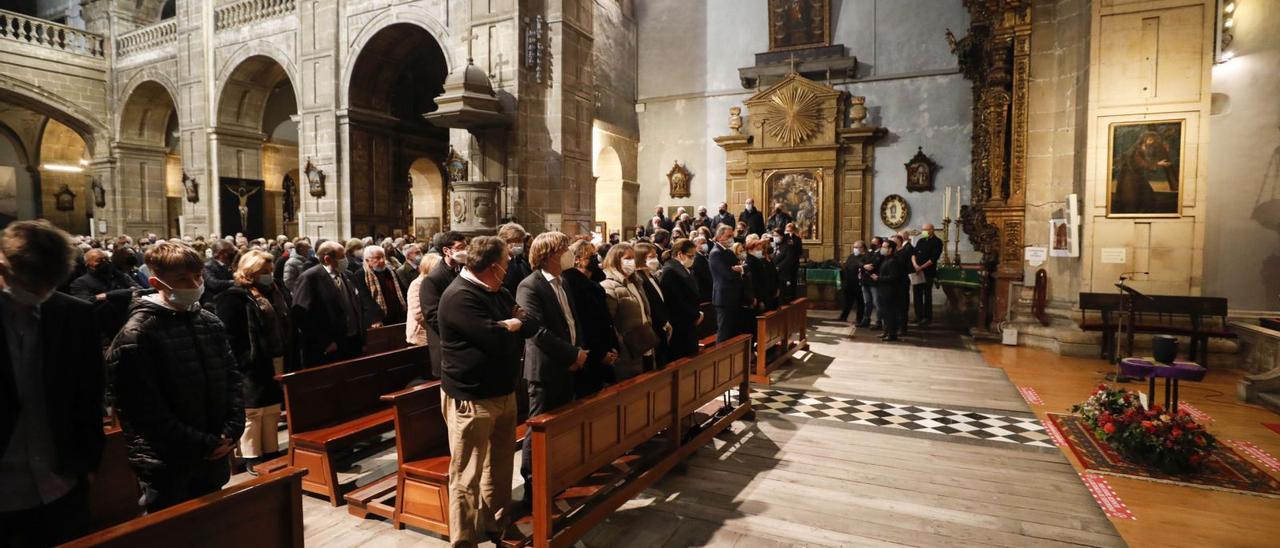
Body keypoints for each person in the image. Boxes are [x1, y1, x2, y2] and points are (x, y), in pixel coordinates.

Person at [107, 241, 244, 512]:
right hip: (167, 461)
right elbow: (145, 411)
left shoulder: (209, 321)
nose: (194, 284)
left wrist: (231, 429)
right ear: (157, 282)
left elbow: (232, 379)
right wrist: (205, 443)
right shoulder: (137, 334)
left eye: (197, 276)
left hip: (213, 451)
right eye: (182, 278)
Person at [0, 221, 104, 545]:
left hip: (60, 485)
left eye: (49, 284)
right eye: (32, 284)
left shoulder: (75, 315)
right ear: (4, 267)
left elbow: (89, 395)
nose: (41, 294)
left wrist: (87, 465)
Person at [437, 236, 530, 546]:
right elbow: (494, 338)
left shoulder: (498, 291)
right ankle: (463, 540)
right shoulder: (459, 297)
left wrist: (512, 324)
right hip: (471, 398)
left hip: (503, 392)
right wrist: (510, 326)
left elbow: (526, 322)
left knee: (501, 466)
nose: (509, 267)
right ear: (493, 267)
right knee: (466, 475)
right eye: (506, 263)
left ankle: (495, 523)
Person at [515, 232, 587, 502]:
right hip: (545, 368)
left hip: (569, 361)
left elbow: (572, 319)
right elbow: (537, 331)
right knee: (538, 427)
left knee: (561, 423)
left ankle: (556, 473)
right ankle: (532, 485)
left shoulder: (563, 281)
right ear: (550, 255)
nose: (569, 252)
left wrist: (579, 349)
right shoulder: (529, 286)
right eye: (565, 248)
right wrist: (571, 355)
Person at [213, 250, 294, 475]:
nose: (268, 275)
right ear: (250, 272)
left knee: (272, 408)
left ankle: (270, 450)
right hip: (250, 362)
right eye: (263, 271)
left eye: (269, 270)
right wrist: (243, 362)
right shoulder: (233, 296)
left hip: (275, 357)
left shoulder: (275, 290)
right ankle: (251, 455)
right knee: (253, 411)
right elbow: (229, 335)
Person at [291, 241, 366, 367]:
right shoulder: (310, 278)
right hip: (330, 347)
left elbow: (357, 306)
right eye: (342, 257)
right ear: (327, 259)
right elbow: (301, 316)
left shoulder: (348, 275)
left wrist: (362, 338)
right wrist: (325, 342)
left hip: (352, 341)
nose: (345, 260)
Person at [561, 240, 619, 398]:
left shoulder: (594, 284)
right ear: (577, 259)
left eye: (595, 256)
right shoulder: (572, 285)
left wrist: (612, 346)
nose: (594, 260)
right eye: (590, 256)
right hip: (590, 355)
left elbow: (605, 319)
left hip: (604, 349)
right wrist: (600, 354)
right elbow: (586, 323)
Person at [599, 243, 651, 380]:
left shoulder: (635, 282)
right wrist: (622, 344)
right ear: (616, 260)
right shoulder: (608, 286)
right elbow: (609, 322)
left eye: (633, 258)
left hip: (644, 344)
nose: (632, 262)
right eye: (627, 258)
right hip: (626, 352)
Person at [69, 248, 140, 345]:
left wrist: (107, 295)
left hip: (127, 325)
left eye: (106, 259)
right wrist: (126, 294)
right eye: (99, 260)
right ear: (87, 264)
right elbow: (87, 304)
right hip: (102, 333)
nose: (104, 262)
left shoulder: (118, 276)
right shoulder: (80, 283)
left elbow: (139, 291)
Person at [422, 231, 467, 378]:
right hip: (447, 345)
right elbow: (432, 316)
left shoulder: (463, 270)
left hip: (463, 344)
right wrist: (459, 333)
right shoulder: (433, 279)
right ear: (446, 251)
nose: (465, 251)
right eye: (460, 247)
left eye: (466, 246)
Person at [659, 239, 703, 361]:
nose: (693, 259)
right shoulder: (671, 272)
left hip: (688, 322)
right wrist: (695, 315)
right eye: (690, 256)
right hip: (680, 324)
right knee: (681, 359)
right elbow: (675, 301)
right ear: (679, 254)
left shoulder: (683, 269)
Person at [633, 242, 670, 370]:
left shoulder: (652, 277)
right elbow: (649, 304)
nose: (655, 260)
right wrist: (662, 322)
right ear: (640, 259)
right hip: (653, 328)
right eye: (651, 257)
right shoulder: (639, 279)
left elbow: (660, 300)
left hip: (662, 327)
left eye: (655, 256)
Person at [709, 225, 747, 342]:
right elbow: (728, 274)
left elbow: (743, 267)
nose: (731, 239)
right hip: (724, 298)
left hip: (734, 296)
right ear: (720, 237)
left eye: (732, 236)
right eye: (729, 236)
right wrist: (741, 270)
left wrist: (740, 269)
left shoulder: (728, 252)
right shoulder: (716, 253)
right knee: (724, 332)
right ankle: (720, 358)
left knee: (734, 331)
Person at [353, 245, 407, 328]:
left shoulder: (390, 271)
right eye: (377, 258)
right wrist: (375, 318)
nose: (382, 260)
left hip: (397, 315)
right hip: (379, 319)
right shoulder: (360, 275)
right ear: (367, 260)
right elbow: (365, 299)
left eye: (383, 257)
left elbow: (402, 291)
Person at [404, 253, 441, 347]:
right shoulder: (417, 284)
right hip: (421, 334)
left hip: (435, 331)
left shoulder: (436, 282)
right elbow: (418, 313)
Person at [871, 240, 904, 341]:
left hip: (890, 292)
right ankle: (886, 331)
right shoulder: (886, 259)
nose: (882, 248)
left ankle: (892, 334)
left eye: (885, 247)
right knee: (885, 313)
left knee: (890, 314)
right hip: (883, 290)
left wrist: (878, 278)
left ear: (890, 249)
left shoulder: (893, 261)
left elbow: (893, 277)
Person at [911, 223, 944, 326]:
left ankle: (927, 317)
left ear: (932, 230)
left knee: (927, 295)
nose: (923, 231)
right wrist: (915, 265)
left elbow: (933, 259)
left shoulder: (937, 242)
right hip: (916, 271)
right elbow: (914, 254)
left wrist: (921, 267)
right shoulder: (920, 241)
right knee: (917, 294)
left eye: (926, 229)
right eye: (923, 229)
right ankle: (918, 316)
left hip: (928, 272)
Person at [838, 241, 868, 324]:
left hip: (859, 283)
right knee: (847, 301)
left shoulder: (866, 257)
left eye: (857, 247)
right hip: (849, 282)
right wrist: (843, 265)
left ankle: (859, 319)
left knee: (860, 302)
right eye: (854, 247)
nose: (855, 249)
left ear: (862, 248)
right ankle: (843, 316)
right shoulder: (852, 256)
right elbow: (848, 266)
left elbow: (862, 267)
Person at [498, 223, 531, 297]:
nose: (520, 244)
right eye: (517, 240)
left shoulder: (521, 262)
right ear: (505, 241)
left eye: (521, 240)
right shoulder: (497, 263)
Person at [201, 239, 237, 303]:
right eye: (230, 252)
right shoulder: (207, 266)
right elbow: (213, 283)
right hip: (213, 303)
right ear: (221, 253)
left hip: (227, 299)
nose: (232, 255)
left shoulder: (228, 264)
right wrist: (234, 282)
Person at [772, 227, 799, 303]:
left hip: (783, 274)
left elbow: (788, 260)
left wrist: (778, 267)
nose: (775, 237)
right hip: (775, 274)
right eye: (773, 235)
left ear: (781, 236)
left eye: (776, 235)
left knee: (783, 295)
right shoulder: (775, 246)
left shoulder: (787, 246)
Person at [690, 235, 714, 302]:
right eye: (702, 243)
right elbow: (705, 276)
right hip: (705, 292)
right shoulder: (697, 259)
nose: (705, 245)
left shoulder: (706, 255)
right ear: (695, 246)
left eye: (705, 242)